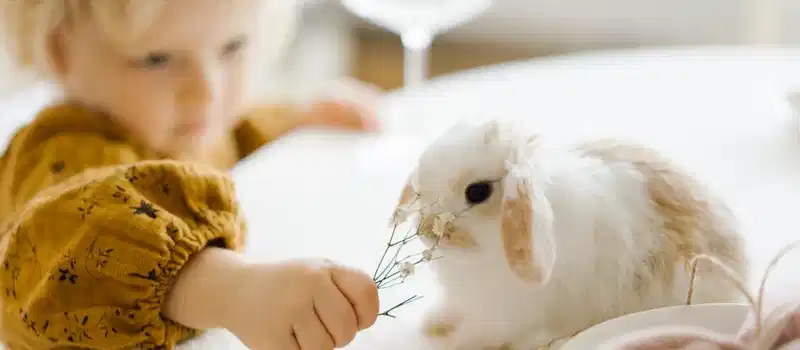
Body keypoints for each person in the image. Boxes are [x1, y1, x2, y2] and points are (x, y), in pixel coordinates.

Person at [0, 1, 381, 349]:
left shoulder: (183, 129)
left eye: (232, 47)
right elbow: (76, 237)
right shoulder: (64, 149)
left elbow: (238, 135)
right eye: (157, 59)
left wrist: (299, 119)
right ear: (59, 48)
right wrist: (233, 289)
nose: (206, 92)